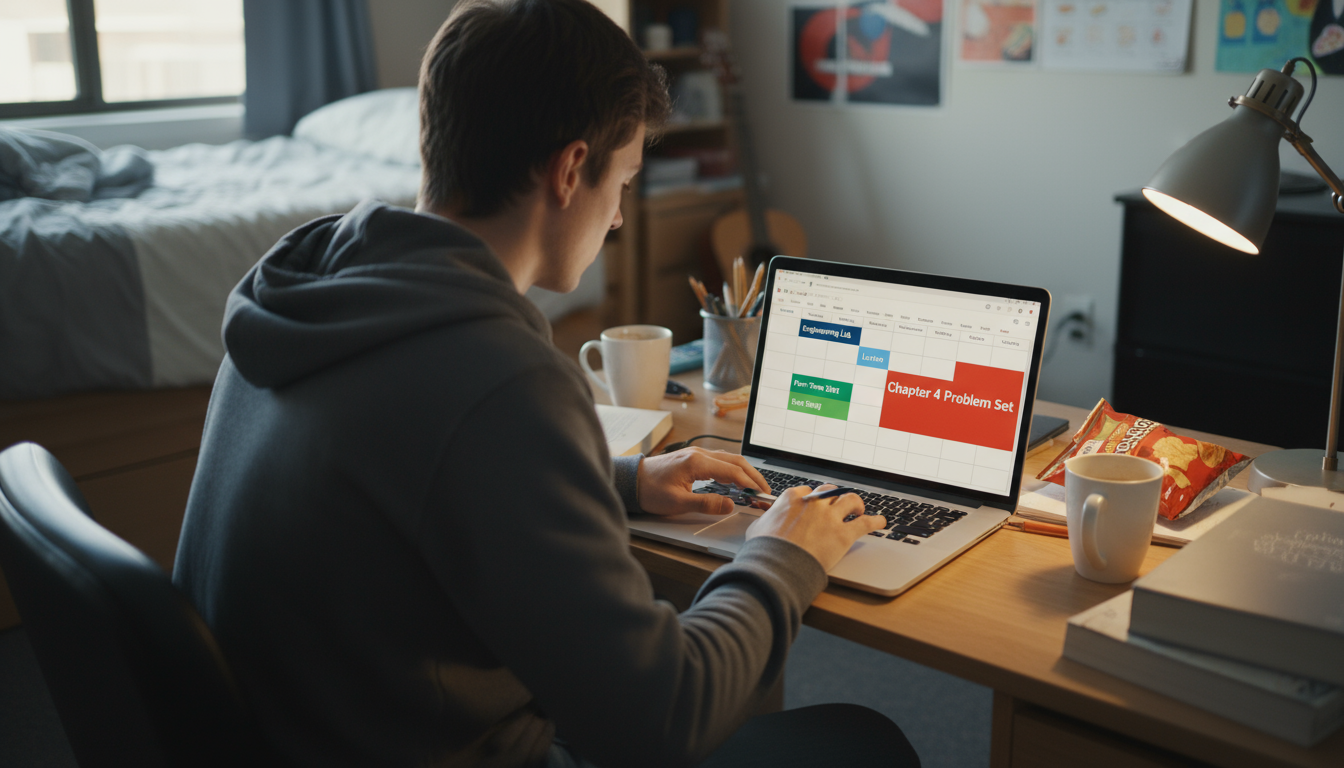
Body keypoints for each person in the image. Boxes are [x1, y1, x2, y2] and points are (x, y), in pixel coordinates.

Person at [173, 1, 921, 766]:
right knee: (864, 743)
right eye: (623, 182)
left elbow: (413, 479)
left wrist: (621, 480)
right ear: (569, 172)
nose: (618, 220)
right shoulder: (499, 379)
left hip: (294, 734)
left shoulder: (304, 295)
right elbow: (664, 718)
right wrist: (784, 555)